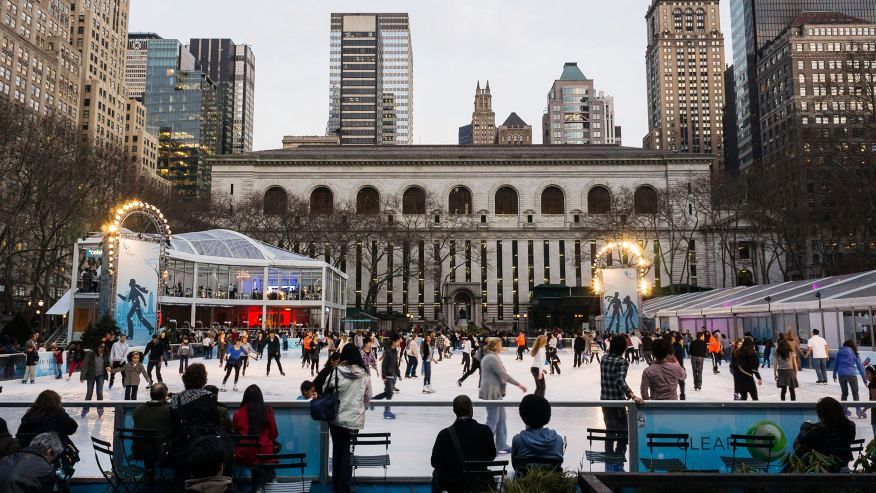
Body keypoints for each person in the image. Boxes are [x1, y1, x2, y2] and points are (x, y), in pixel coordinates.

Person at [323, 344, 372, 493]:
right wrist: (358, 405)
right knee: (348, 452)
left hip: (336, 418)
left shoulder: (337, 371)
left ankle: (337, 485)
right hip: (353, 420)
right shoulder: (364, 374)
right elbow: (368, 396)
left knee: (338, 450)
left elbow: (325, 387)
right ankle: (344, 486)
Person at [169, 364, 229, 482]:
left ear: (185, 378)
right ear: (203, 379)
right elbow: (215, 422)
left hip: (182, 447)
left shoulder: (177, 398)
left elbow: (172, 424)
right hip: (203, 448)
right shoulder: (208, 398)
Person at [430, 395, 497, 493]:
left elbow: (435, 462)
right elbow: (491, 456)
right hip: (479, 485)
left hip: (453, 486)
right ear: (471, 409)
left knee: (436, 473)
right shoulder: (485, 431)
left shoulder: (444, 435)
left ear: (454, 411)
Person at [600, 335, 644, 472]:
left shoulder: (604, 358)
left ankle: (609, 461)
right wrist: (631, 394)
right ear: (623, 348)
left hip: (604, 400)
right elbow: (620, 380)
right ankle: (618, 459)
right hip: (617, 402)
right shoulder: (622, 362)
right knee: (624, 432)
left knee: (610, 431)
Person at [480, 337, 526, 454]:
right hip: (492, 394)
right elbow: (503, 374)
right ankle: (485, 446)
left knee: (501, 419)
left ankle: (501, 445)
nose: (502, 347)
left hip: (495, 393)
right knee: (493, 420)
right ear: (496, 346)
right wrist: (519, 384)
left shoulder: (491, 357)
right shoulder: (491, 358)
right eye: (500, 345)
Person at [790, 397, 856, 472]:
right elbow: (851, 439)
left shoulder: (820, 428)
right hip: (843, 461)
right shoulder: (851, 425)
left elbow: (802, 438)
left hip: (822, 463)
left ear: (822, 413)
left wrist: (805, 426)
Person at [233, 385, 279, 491]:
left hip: (245, 455)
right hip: (264, 455)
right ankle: (268, 481)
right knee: (266, 454)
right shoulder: (268, 411)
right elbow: (274, 434)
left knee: (257, 459)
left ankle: (261, 484)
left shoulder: (237, 414)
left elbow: (237, 436)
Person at [511, 394, 565, 474]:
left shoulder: (518, 440)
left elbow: (515, 466)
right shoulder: (558, 440)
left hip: (524, 485)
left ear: (522, 415)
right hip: (553, 485)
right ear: (547, 415)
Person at [132, 382, 171, 482]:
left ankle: (149, 474)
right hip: (161, 453)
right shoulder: (168, 411)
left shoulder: (138, 410)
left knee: (149, 446)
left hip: (138, 450)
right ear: (164, 395)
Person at [833, 339, 868, 418]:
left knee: (844, 393)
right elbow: (860, 367)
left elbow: (835, 363)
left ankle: (843, 411)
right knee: (855, 393)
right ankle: (859, 411)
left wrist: (834, 374)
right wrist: (864, 379)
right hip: (851, 374)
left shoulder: (839, 352)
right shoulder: (853, 353)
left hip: (841, 374)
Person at [373, 333, 401, 419]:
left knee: (388, 393)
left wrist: (398, 374)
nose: (399, 343)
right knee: (389, 394)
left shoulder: (394, 351)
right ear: (393, 341)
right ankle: (386, 411)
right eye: (398, 341)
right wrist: (384, 376)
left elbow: (396, 363)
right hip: (388, 375)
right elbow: (384, 365)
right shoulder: (388, 351)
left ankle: (372, 401)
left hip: (393, 374)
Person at [81, 341, 110, 417]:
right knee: (89, 392)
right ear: (96, 346)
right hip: (91, 375)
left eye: (103, 347)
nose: (102, 348)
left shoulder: (106, 353)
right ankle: (85, 409)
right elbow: (85, 365)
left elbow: (108, 362)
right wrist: (82, 377)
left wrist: (109, 366)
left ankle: (100, 409)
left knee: (99, 392)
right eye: (100, 347)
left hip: (101, 375)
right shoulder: (90, 353)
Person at [865, 365, 876, 437]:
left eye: (868, 373)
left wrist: (864, 408)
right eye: (866, 374)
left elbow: (874, 399)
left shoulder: (873, 384)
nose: (866, 376)